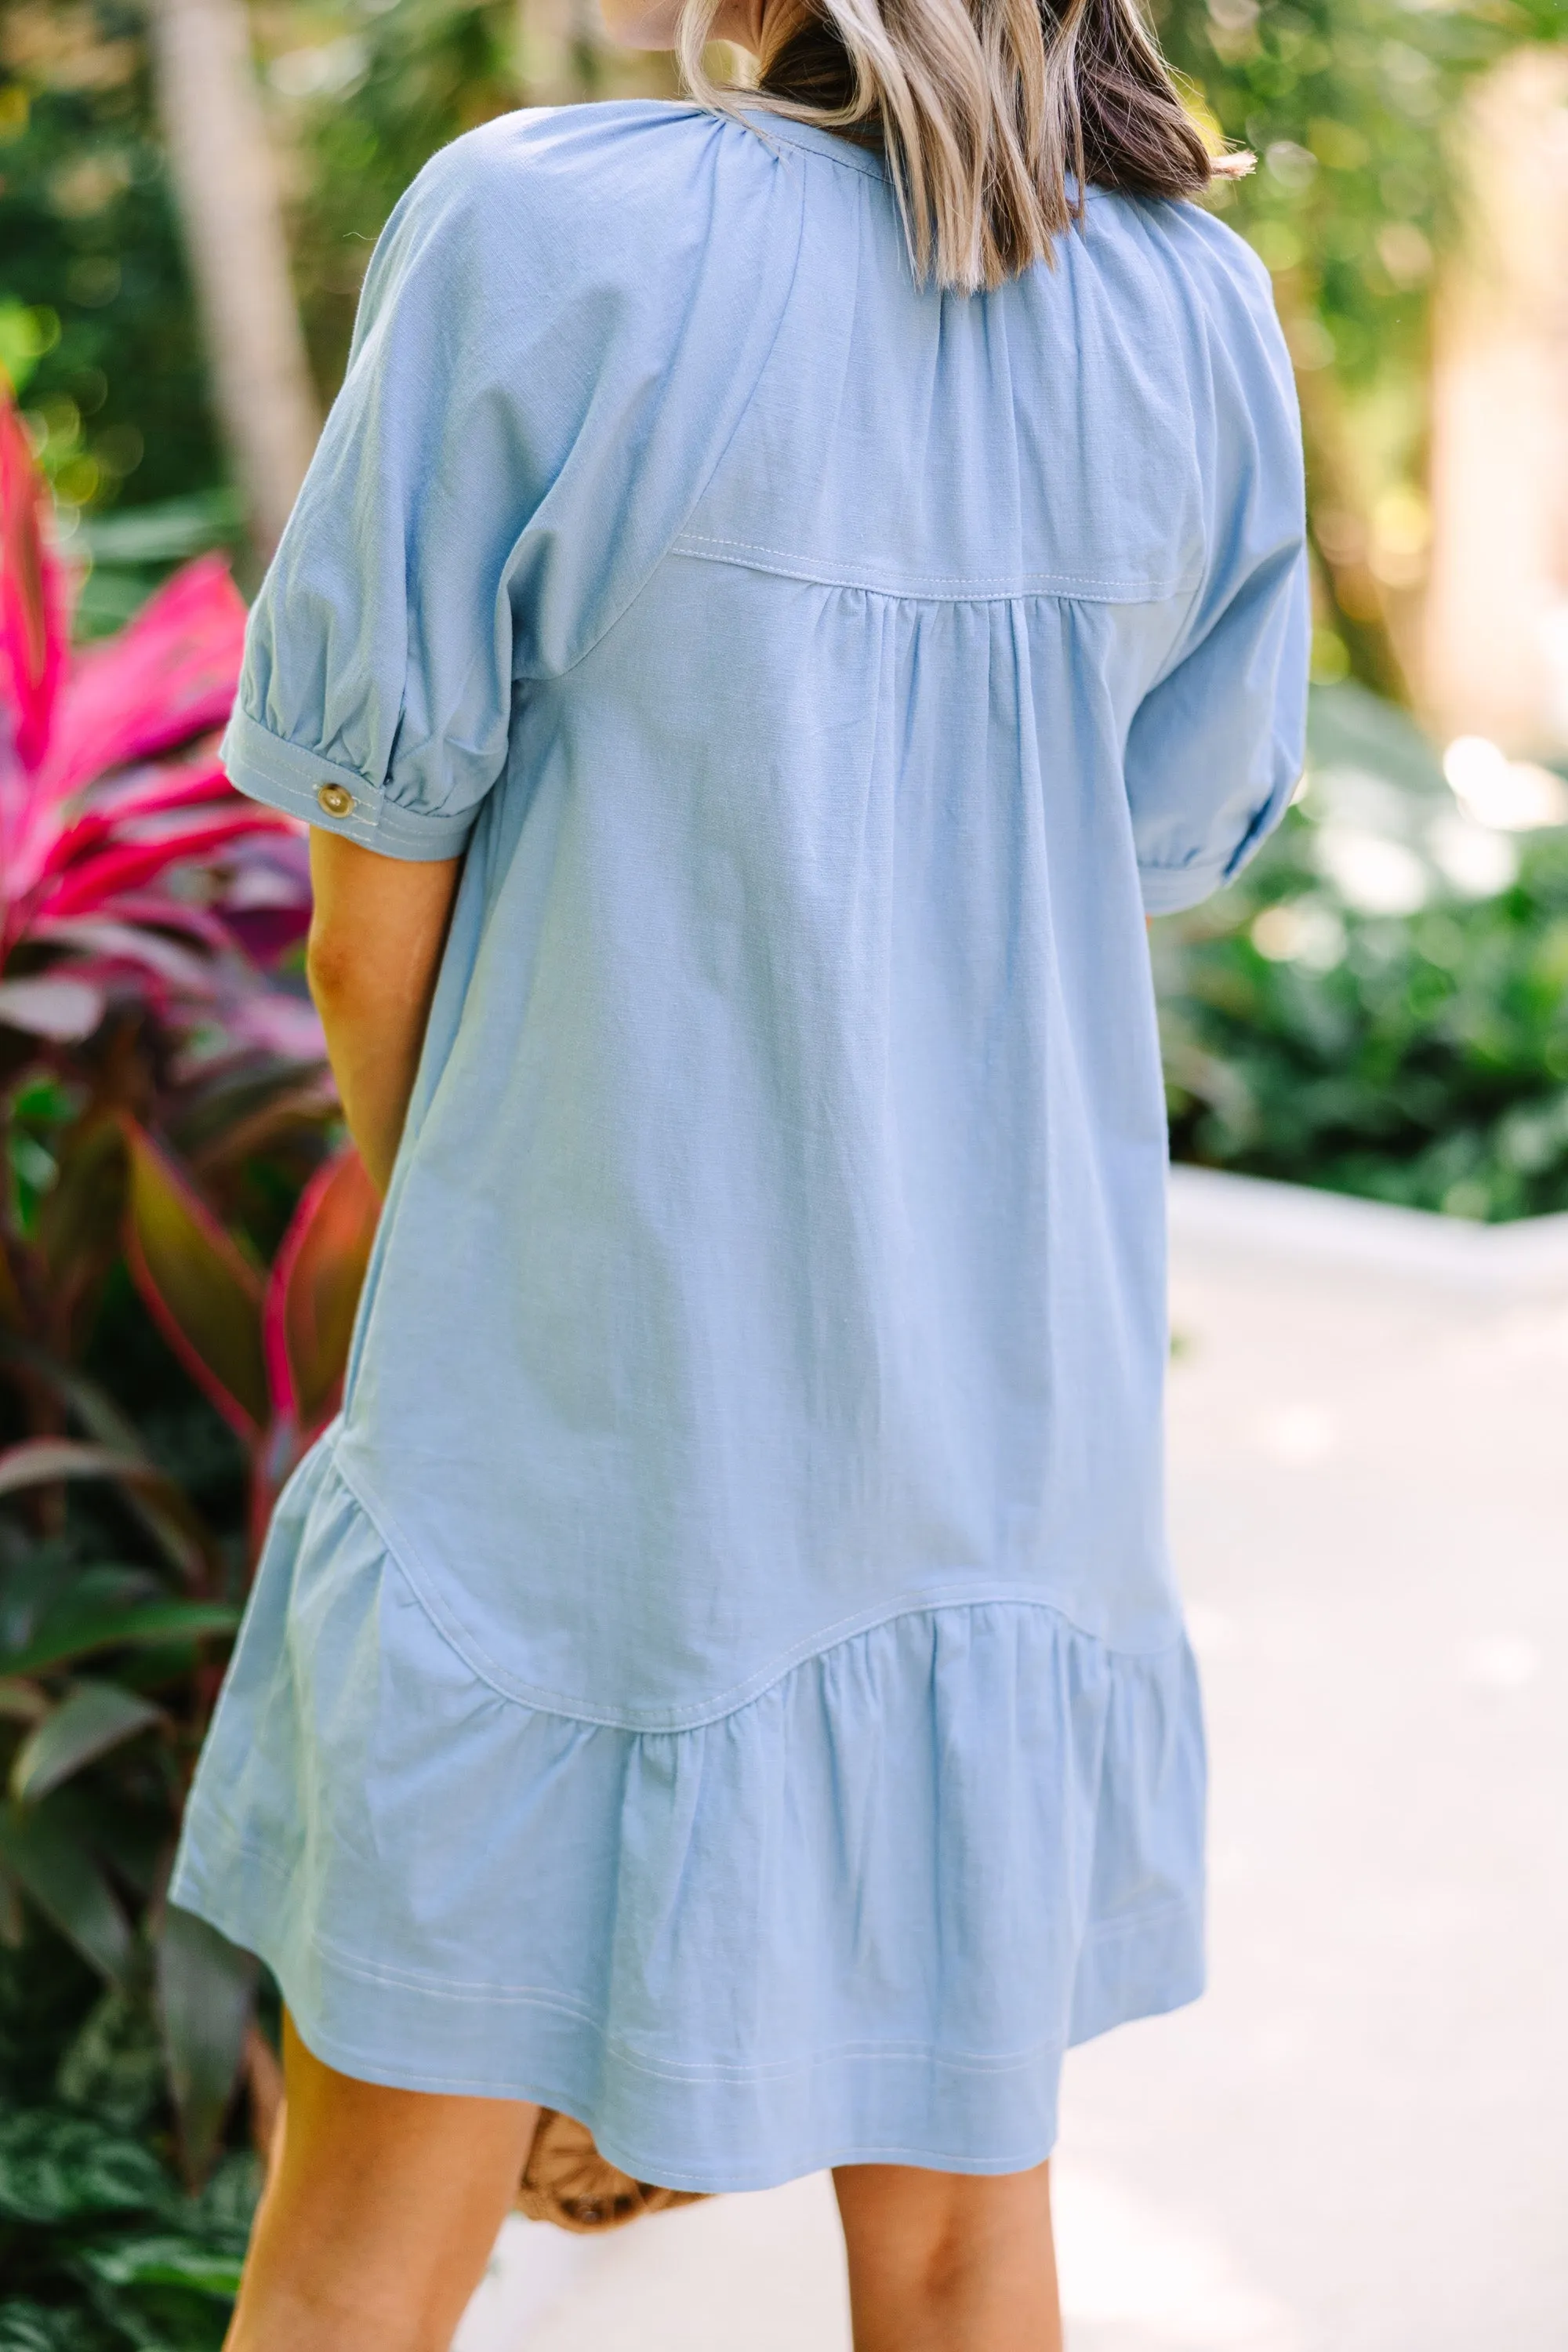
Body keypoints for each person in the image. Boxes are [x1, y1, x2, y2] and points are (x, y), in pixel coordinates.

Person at [172, 0, 1308, 2339]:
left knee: (358, 2277)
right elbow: (1150, 841)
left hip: (573, 1443)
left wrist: (443, 1248)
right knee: (971, 2251)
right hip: (995, 1455)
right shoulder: (1199, 310)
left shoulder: (541, 231)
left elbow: (371, 932)